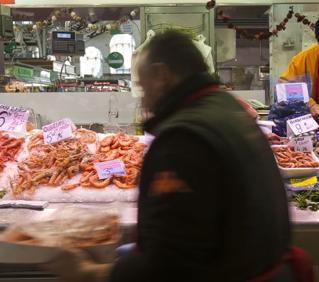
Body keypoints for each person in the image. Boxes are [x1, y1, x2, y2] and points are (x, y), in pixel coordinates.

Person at [46, 30, 292, 282]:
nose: (144, 102)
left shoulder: (183, 139)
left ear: (161, 75)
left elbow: (167, 266)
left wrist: (89, 273)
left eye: (142, 87)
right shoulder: (228, 108)